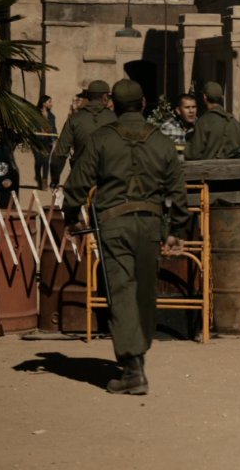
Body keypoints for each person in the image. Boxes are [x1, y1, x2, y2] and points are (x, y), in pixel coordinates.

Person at [62, 79, 190, 395]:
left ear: (113, 105)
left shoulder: (101, 139)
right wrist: (177, 230)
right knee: (145, 292)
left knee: (122, 290)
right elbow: (178, 189)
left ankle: (132, 368)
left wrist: (70, 215)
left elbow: (78, 183)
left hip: (114, 225)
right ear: (143, 103)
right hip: (150, 225)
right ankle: (137, 360)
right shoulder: (160, 141)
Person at [50, 80, 117, 188]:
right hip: (108, 182)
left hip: (80, 180)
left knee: (71, 204)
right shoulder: (115, 119)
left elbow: (59, 155)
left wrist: (55, 179)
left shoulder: (75, 119)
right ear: (105, 97)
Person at [184, 81, 240, 160]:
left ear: (204, 97)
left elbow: (192, 154)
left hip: (209, 171)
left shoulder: (203, 122)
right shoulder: (234, 123)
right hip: (234, 171)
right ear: (222, 98)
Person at [34, 95, 57, 190]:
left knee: (46, 160)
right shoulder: (35, 113)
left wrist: (55, 138)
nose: (51, 104)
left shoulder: (51, 116)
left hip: (48, 141)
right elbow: (31, 125)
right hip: (37, 141)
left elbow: (54, 128)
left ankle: (44, 181)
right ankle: (38, 177)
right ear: (43, 103)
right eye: (49, 102)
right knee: (39, 161)